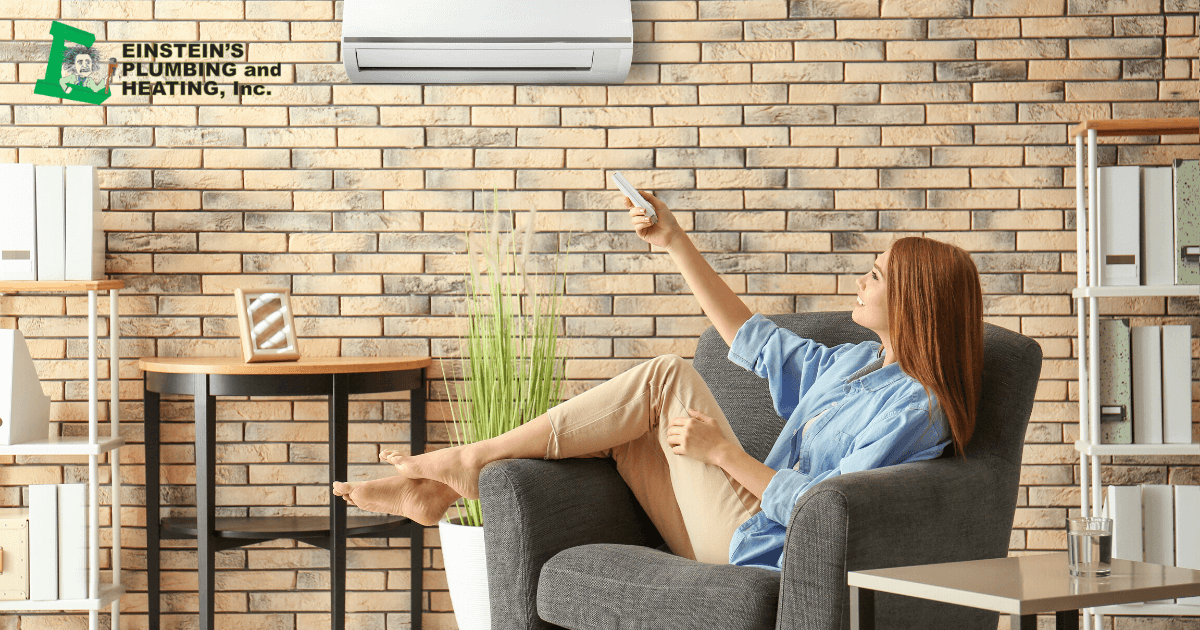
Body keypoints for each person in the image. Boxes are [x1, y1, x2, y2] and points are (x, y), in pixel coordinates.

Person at [333, 190, 984, 570]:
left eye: (876, 274)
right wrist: (673, 241)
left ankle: (469, 464)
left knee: (668, 375)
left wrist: (722, 454)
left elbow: (829, 512)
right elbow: (750, 339)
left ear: (915, 300)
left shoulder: (915, 410)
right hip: (744, 520)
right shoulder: (855, 363)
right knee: (629, 424)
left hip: (767, 545)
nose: (863, 281)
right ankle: (447, 490)